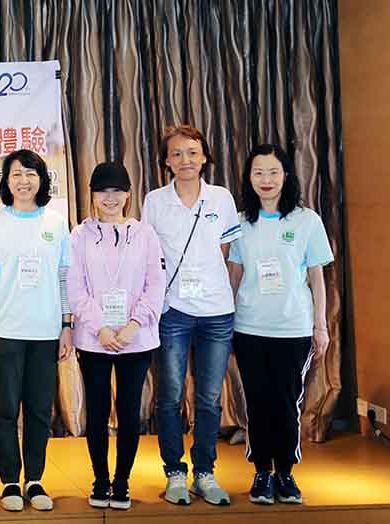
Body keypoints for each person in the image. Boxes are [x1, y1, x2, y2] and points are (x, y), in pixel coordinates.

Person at [227, 144, 333, 505]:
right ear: (249, 178)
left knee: (287, 401)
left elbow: (317, 277)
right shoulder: (241, 222)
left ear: (286, 176)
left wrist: (321, 326)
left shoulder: (307, 220)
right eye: (258, 172)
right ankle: (262, 473)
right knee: (257, 401)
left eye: (273, 172)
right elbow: (235, 275)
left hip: (293, 328)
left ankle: (286, 472)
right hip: (249, 327)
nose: (266, 180)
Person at [142, 125, 241, 506]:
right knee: (168, 396)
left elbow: (229, 254)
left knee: (210, 398)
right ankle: (175, 473)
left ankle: (205, 472)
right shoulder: (154, 201)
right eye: (177, 153)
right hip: (172, 311)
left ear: (204, 157)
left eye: (193, 152)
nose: (186, 160)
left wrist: (229, 299)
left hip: (217, 312)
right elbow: (149, 260)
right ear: (166, 161)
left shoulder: (221, 198)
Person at [0, 149, 73, 512]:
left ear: (42, 179)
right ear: (6, 181)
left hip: (46, 331)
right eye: (16, 174)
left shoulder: (56, 222)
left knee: (38, 409)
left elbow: (65, 278)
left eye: (31, 174)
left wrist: (66, 325)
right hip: (5, 331)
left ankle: (34, 479)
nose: (24, 181)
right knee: (5, 409)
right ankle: (10, 481)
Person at [68, 162, 167, 510]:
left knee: (129, 412)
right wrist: (101, 328)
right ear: (92, 195)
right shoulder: (78, 236)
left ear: (128, 194)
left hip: (135, 339)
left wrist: (133, 326)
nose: (109, 199)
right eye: (102, 192)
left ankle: (122, 481)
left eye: (117, 191)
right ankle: (99, 480)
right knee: (96, 412)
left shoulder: (145, 234)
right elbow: (75, 287)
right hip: (94, 339)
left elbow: (155, 284)